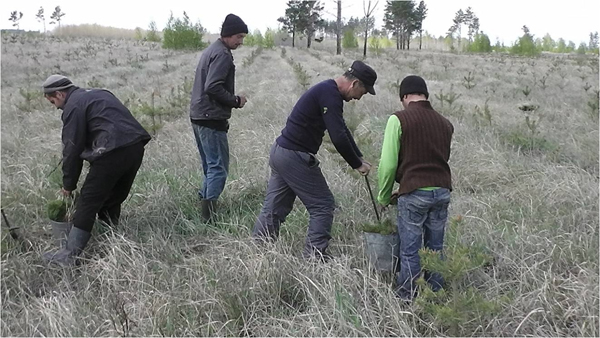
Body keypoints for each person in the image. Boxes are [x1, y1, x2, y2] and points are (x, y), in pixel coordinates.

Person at [252, 61, 377, 261]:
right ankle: (314, 258)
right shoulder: (331, 95)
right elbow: (337, 136)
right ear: (355, 84)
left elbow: (342, 129)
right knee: (323, 206)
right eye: (361, 93)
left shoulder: (328, 90)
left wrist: (358, 156)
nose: (358, 99)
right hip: (295, 156)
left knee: (274, 208)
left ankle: (257, 251)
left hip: (281, 152)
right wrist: (356, 164)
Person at [41, 74, 151, 266]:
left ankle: (69, 254)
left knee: (88, 201)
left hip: (111, 151)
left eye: (53, 102)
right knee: (113, 197)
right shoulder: (99, 93)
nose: (56, 107)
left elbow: (72, 149)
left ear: (59, 93)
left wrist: (68, 185)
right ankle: (111, 241)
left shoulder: (73, 106)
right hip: (135, 146)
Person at [377, 75, 454, 301]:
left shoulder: (398, 119)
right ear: (425, 95)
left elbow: (388, 164)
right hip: (442, 192)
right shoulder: (445, 123)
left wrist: (383, 196)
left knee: (410, 251)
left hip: (413, 194)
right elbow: (441, 158)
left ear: (405, 96)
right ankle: (435, 298)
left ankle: (407, 299)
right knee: (435, 250)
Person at [189, 13, 248, 222]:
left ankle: (203, 203)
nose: (241, 42)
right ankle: (209, 217)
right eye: (239, 37)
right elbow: (212, 87)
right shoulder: (222, 54)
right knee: (218, 169)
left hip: (199, 115)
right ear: (228, 34)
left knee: (209, 165)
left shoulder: (211, 50)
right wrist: (235, 100)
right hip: (210, 117)